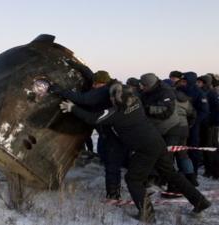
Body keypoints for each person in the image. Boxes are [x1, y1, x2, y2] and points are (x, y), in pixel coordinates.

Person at [59, 84, 211, 223]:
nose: (110, 99)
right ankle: (200, 201)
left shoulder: (116, 113)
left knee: (133, 179)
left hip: (145, 149)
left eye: (112, 97)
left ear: (116, 99)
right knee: (172, 174)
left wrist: (73, 108)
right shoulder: (137, 102)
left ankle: (147, 214)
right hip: (158, 143)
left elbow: (93, 118)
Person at [49, 70, 129, 200]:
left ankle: (113, 196)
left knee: (112, 164)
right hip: (114, 131)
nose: (93, 86)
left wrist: (60, 91)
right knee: (108, 156)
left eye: (95, 84)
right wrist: (81, 68)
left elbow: (84, 99)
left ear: (101, 83)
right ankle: (119, 178)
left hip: (112, 133)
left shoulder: (103, 91)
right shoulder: (112, 87)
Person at [139, 73, 198, 195]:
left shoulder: (166, 93)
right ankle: (186, 180)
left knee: (168, 159)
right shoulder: (150, 92)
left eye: (144, 86)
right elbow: (192, 114)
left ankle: (176, 186)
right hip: (175, 129)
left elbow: (166, 111)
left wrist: (147, 108)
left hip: (172, 129)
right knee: (178, 156)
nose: (142, 88)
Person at [177, 72, 210, 174]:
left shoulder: (199, 93)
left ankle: (193, 173)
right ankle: (182, 170)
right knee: (179, 150)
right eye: (182, 81)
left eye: (184, 81)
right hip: (179, 125)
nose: (182, 83)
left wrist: (193, 122)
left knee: (193, 149)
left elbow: (204, 111)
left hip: (193, 126)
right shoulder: (178, 90)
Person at [196, 75, 219, 179]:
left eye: (200, 82)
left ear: (205, 83)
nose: (198, 84)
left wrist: (211, 121)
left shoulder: (211, 93)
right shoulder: (204, 92)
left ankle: (212, 170)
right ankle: (209, 169)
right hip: (206, 124)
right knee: (208, 147)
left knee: (209, 147)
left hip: (209, 125)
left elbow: (215, 109)